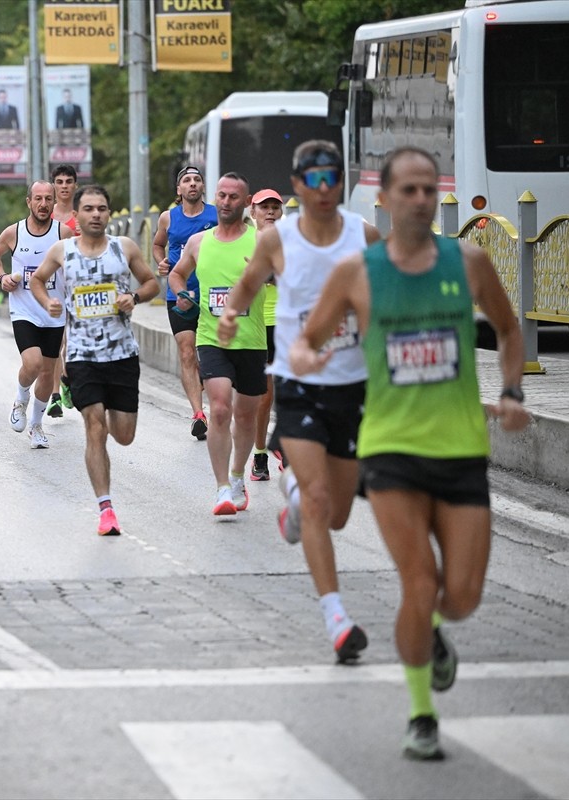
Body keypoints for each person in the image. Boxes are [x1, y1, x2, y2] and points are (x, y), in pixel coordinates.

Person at [288, 146, 529, 760]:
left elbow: (507, 328)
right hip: (390, 449)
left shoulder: (468, 261)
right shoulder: (358, 273)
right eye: (409, 190)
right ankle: (421, 714)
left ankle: (437, 632)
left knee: (462, 596)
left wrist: (510, 389)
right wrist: (307, 359)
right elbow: (306, 340)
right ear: (386, 198)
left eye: (429, 189)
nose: (421, 199)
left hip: (460, 449)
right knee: (419, 584)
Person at [220, 140, 381, 665]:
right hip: (297, 382)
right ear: (296, 186)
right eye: (312, 178)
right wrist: (228, 317)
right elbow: (246, 286)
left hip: (353, 384)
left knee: (332, 513)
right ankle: (336, 617)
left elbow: (394, 285)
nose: (323, 186)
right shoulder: (277, 240)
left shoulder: (364, 236)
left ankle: (292, 504)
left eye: (331, 176)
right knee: (317, 499)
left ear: (340, 180)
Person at [30, 185, 159, 535]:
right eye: (89, 208)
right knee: (95, 426)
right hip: (82, 355)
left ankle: (107, 501)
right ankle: (106, 509)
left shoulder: (125, 248)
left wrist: (134, 297)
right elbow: (38, 281)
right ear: (79, 214)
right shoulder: (62, 251)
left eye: (102, 208)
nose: (96, 214)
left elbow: (152, 283)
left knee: (124, 435)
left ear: (108, 212)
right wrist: (48, 303)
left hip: (121, 354)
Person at [169, 173, 263, 516]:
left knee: (247, 415)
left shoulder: (261, 241)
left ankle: (238, 474)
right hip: (211, 338)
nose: (225, 202)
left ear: (246, 201)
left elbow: (286, 274)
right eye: (222, 195)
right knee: (221, 408)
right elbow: (176, 273)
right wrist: (180, 294)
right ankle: (222, 488)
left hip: (251, 339)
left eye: (233, 197)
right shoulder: (199, 242)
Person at [0, 180, 74, 449]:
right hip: (23, 309)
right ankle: (21, 397)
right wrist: (2, 277)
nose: (43, 204)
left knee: (48, 373)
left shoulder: (64, 232)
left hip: (53, 310)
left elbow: (77, 264)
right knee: (33, 363)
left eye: (48, 199)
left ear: (54, 203)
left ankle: (36, 426)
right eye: (38, 199)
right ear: (29, 202)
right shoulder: (14, 232)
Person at [153, 165, 218, 441]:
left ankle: (209, 389)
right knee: (187, 352)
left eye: (197, 180)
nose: (192, 184)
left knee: (211, 354)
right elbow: (158, 245)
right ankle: (198, 414)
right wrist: (162, 262)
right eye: (187, 181)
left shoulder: (217, 215)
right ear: (179, 190)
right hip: (179, 295)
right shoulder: (168, 218)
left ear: (203, 187)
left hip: (214, 294)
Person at [248, 188, 285, 480]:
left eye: (275, 207)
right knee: (265, 395)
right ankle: (260, 453)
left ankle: (286, 445)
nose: (270, 212)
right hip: (257, 324)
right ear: (253, 212)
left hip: (287, 322)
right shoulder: (243, 241)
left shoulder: (290, 242)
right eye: (264, 207)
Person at [46, 163, 80, 418]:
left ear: (75, 186)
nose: (64, 186)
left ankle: (66, 376)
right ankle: (55, 395)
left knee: (69, 341)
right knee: (57, 340)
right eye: (60, 182)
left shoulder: (82, 216)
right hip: (51, 284)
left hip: (77, 284)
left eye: (69, 182)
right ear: (54, 185)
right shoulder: (45, 215)